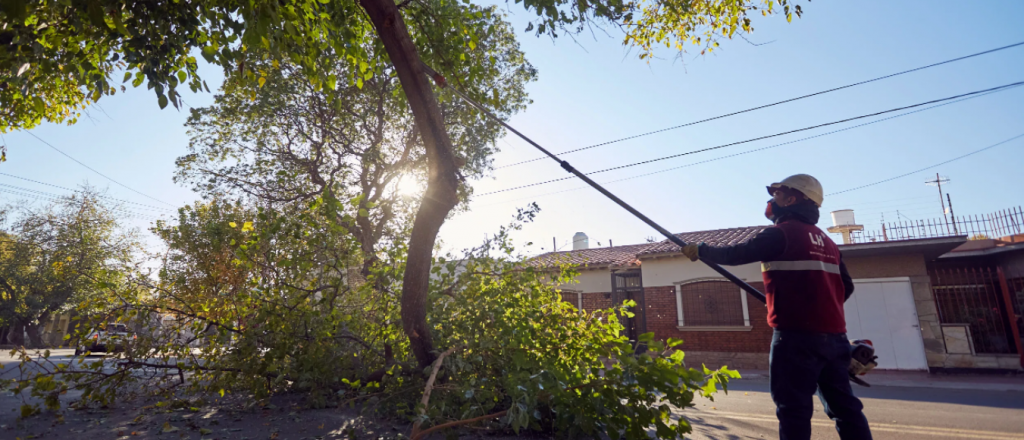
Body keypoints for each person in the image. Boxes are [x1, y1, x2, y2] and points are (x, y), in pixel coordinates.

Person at [681, 174, 872, 440]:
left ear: (791, 199)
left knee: (793, 411)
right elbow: (846, 287)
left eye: (777, 194)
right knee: (845, 409)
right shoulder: (827, 242)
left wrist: (701, 250)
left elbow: (735, 254)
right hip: (835, 339)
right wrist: (816, 309)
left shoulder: (780, 233)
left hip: (795, 340)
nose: (771, 199)